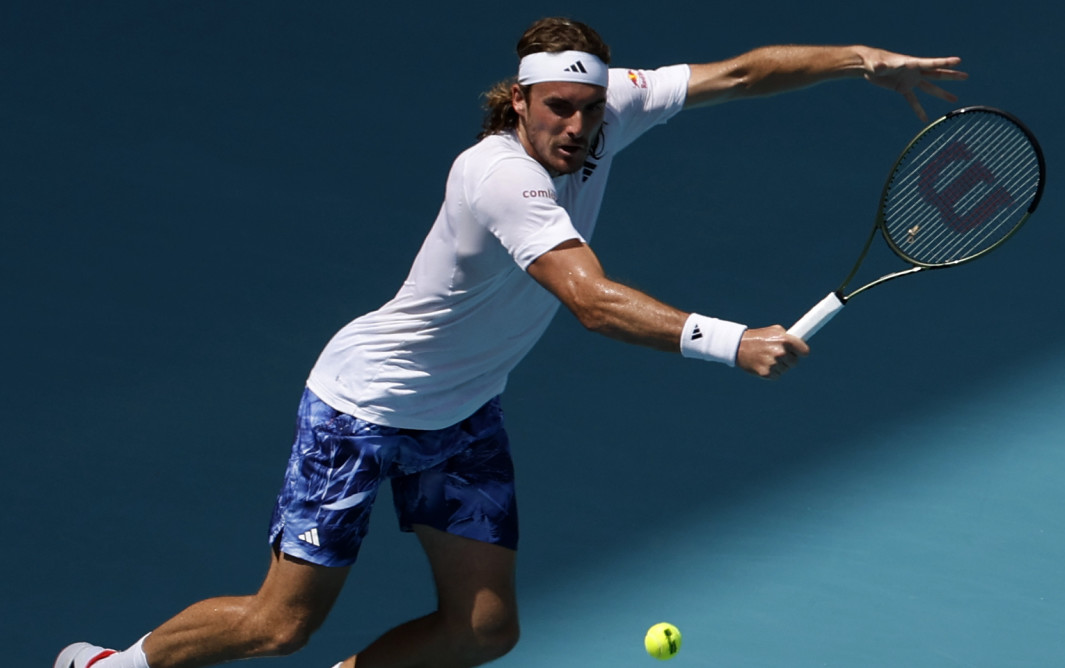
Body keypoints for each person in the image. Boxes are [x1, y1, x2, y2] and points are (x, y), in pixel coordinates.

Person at [56, 16, 965, 668]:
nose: (577, 128)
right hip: (363, 409)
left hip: (462, 417)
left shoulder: (608, 111)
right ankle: (113, 667)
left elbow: (740, 72)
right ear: (520, 102)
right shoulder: (497, 176)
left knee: (485, 629)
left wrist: (860, 60)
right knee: (280, 625)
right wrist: (729, 341)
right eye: (558, 110)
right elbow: (591, 300)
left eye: (590, 110)